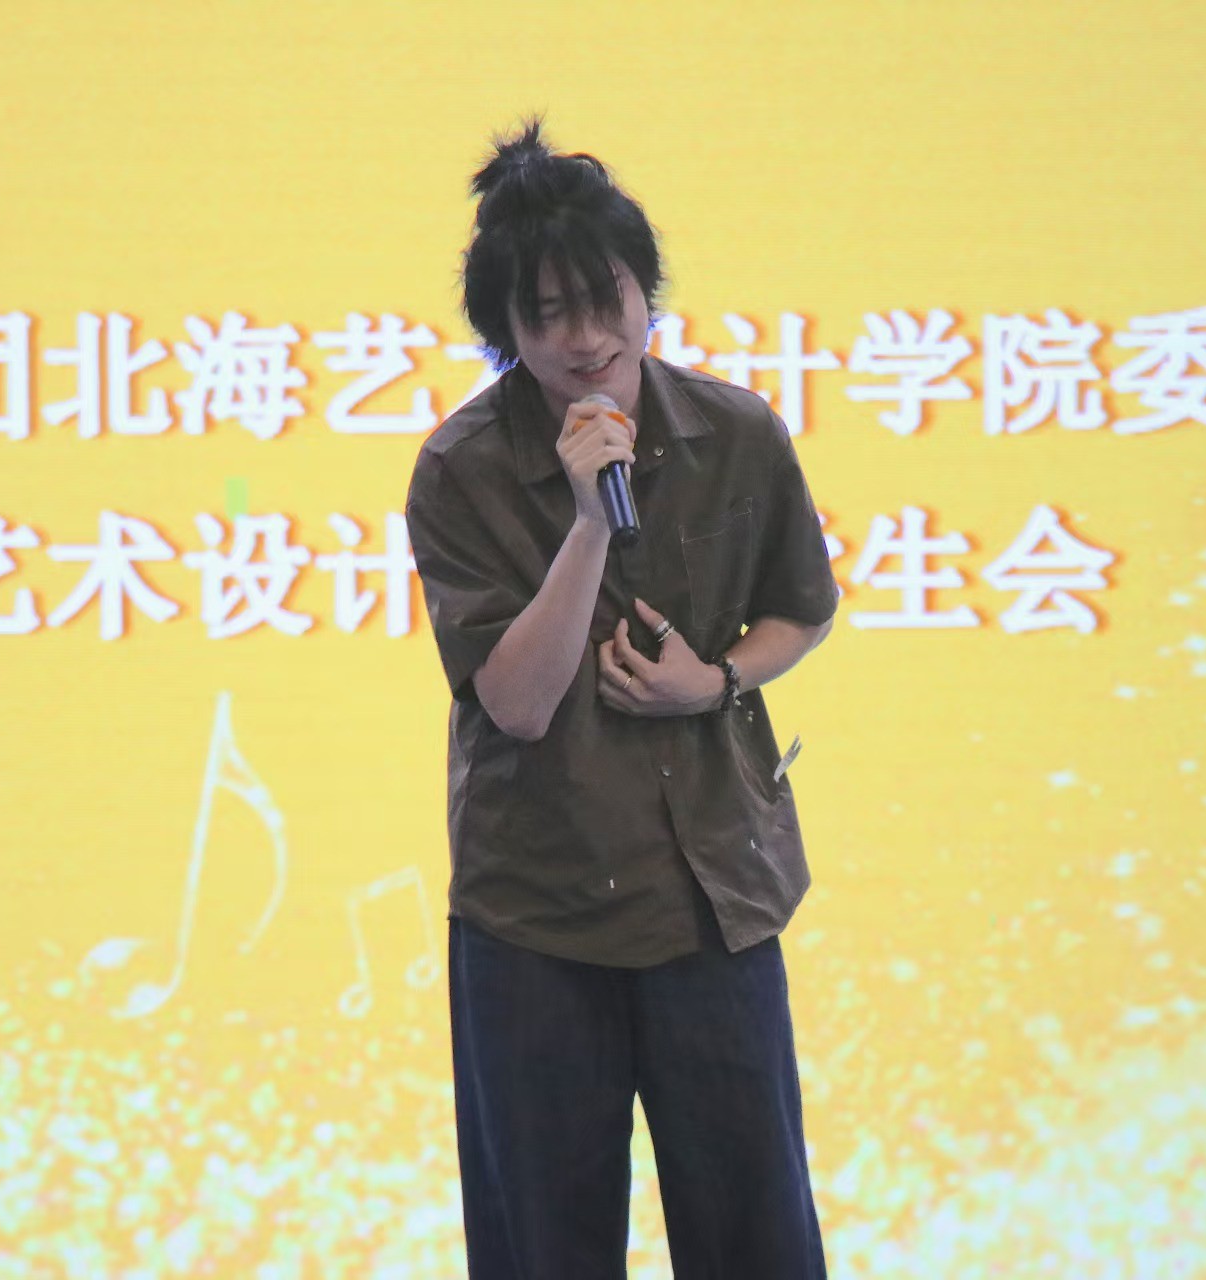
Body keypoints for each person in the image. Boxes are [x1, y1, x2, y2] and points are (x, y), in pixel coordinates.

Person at [405, 119, 839, 1278]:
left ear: (648, 294)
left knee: (757, 1234)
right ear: (505, 329)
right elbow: (517, 702)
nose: (586, 338)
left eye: (607, 302)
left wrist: (718, 678)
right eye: (548, 314)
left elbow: (802, 608)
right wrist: (590, 523)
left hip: (713, 895)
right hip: (536, 911)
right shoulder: (460, 468)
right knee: (543, 1242)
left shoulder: (736, 431)